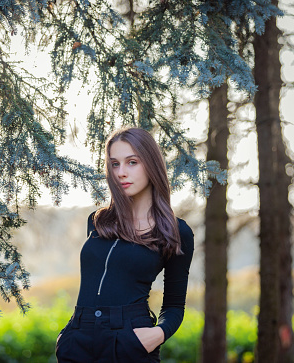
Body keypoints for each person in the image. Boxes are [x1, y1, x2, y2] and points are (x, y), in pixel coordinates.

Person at [55, 127, 194, 363]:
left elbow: (174, 305)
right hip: (77, 340)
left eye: (132, 162)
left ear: (151, 164)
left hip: (130, 341)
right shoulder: (98, 221)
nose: (121, 172)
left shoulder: (175, 231)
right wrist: (67, 335)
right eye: (114, 164)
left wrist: (157, 334)